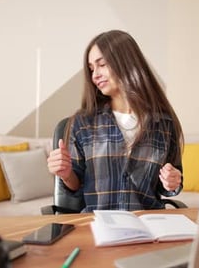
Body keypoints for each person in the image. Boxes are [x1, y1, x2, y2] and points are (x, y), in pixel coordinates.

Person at [47, 29, 184, 212]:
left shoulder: (164, 124)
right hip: (98, 226)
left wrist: (172, 182)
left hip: (147, 226)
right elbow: (75, 186)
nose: (94, 75)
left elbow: (167, 186)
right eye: (91, 68)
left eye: (101, 64)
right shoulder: (82, 124)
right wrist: (65, 175)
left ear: (127, 62)